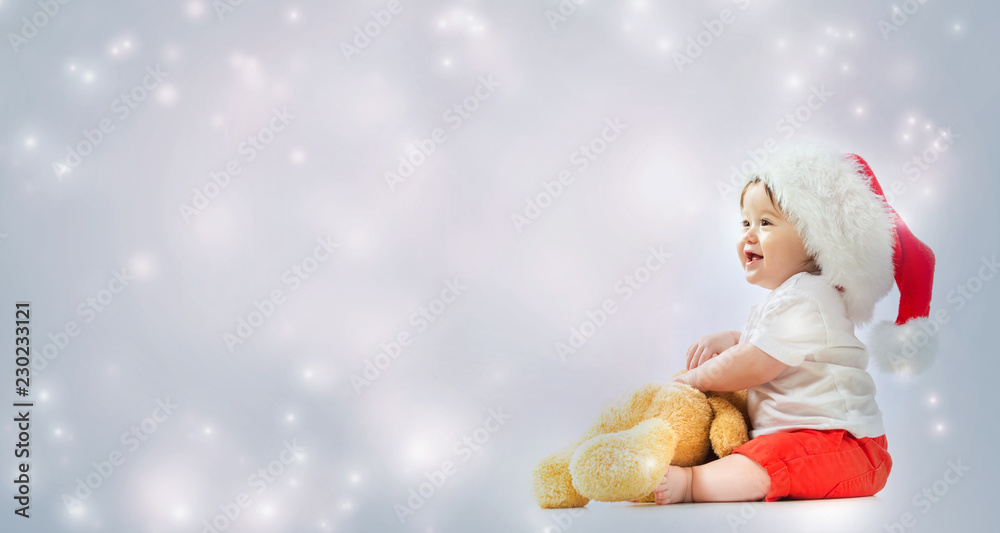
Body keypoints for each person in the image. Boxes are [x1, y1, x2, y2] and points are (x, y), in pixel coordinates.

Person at [654, 142, 937, 504]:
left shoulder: (809, 296)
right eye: (745, 222)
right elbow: (774, 349)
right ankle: (716, 472)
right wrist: (733, 338)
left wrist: (693, 380)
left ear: (816, 238)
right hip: (811, 440)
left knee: (774, 460)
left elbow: (758, 363)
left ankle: (693, 484)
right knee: (767, 450)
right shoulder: (793, 297)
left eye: (766, 223)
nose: (748, 236)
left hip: (847, 447)